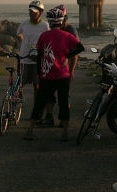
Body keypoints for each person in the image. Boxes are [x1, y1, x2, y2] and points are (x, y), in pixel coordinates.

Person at [23, 8, 84, 142]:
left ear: (50, 23)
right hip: (63, 75)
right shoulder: (67, 35)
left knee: (40, 103)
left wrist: (39, 72)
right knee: (63, 103)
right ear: (61, 22)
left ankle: (30, 130)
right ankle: (65, 132)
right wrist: (67, 56)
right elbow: (81, 48)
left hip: (47, 75)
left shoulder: (44, 36)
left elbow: (40, 56)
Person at [38, 4, 78, 127]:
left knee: (64, 96)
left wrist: (71, 69)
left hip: (64, 69)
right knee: (49, 95)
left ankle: (63, 120)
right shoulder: (53, 30)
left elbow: (75, 52)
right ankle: (49, 117)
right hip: (51, 68)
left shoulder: (70, 30)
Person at [17, 0, 49, 107]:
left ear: (40, 13)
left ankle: (36, 107)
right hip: (24, 58)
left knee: (37, 85)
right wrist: (24, 43)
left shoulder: (45, 25)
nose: (32, 13)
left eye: (34, 12)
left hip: (37, 60)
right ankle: (17, 104)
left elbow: (48, 40)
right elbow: (18, 34)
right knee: (19, 84)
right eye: (30, 11)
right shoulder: (24, 23)